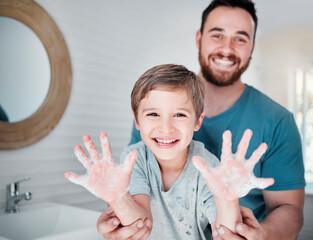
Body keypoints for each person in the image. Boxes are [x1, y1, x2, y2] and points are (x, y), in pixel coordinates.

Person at [97, 0, 306, 240]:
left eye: (240, 38)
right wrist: (120, 215)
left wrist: (261, 235)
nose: (227, 48)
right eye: (217, 35)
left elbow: (290, 210)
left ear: (252, 46)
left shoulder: (278, 121)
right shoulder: (155, 106)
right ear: (199, 39)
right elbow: (135, 189)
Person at [65, 64, 273, 239]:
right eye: (153, 113)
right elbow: (142, 224)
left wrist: (228, 201)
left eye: (180, 115)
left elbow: (224, 232)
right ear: (137, 120)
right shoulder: (135, 159)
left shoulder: (206, 165)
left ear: (198, 121)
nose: (166, 128)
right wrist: (118, 198)